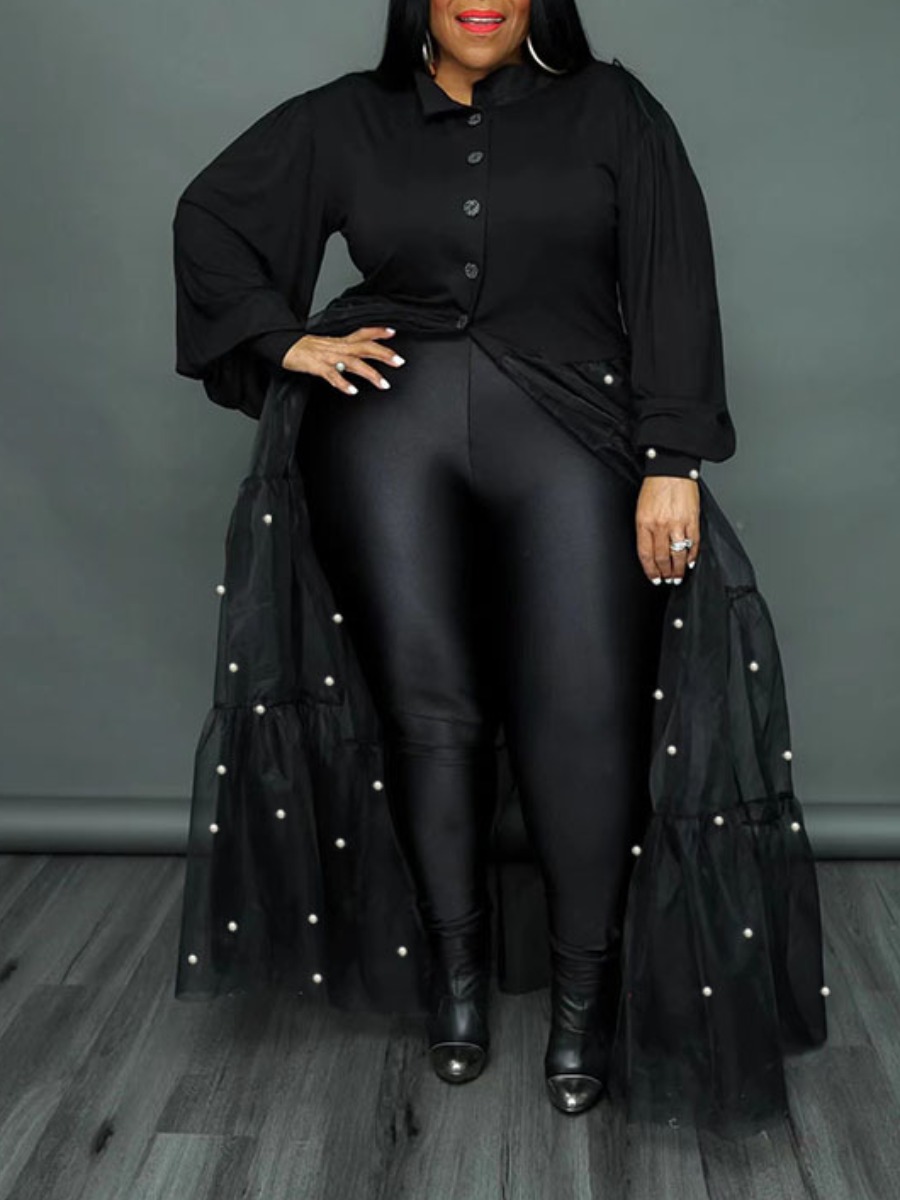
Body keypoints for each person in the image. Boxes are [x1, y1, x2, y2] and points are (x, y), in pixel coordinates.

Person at [172, 0, 828, 1133]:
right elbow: (211, 216)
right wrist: (285, 340)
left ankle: (583, 998)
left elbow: (672, 280)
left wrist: (672, 459)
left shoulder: (614, 110)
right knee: (431, 715)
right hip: (385, 441)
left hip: (573, 439)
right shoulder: (347, 118)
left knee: (582, 714)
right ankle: (457, 981)